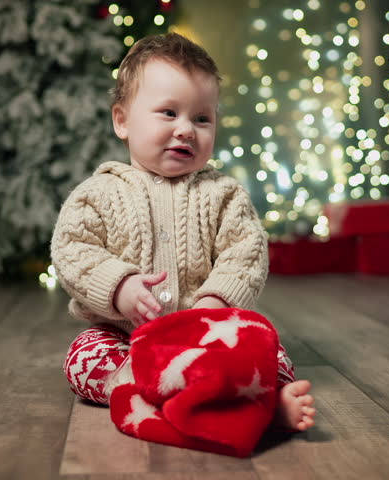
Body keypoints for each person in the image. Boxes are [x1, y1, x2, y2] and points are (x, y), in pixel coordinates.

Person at [51, 33, 315, 432]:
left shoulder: (223, 194)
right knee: (83, 358)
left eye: (202, 118)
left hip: (209, 338)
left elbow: (246, 252)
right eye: (169, 113)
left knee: (270, 352)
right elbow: (72, 250)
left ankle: (263, 404)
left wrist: (214, 302)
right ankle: (159, 391)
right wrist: (119, 288)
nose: (186, 130)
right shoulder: (98, 193)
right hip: (126, 338)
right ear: (122, 120)